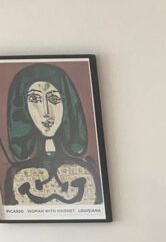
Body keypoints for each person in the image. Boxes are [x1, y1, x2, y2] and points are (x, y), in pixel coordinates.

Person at [3, 62, 102, 206]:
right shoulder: (16, 175)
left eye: (54, 99)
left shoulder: (86, 171)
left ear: (67, 104)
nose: (46, 112)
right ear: (22, 107)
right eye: (35, 99)